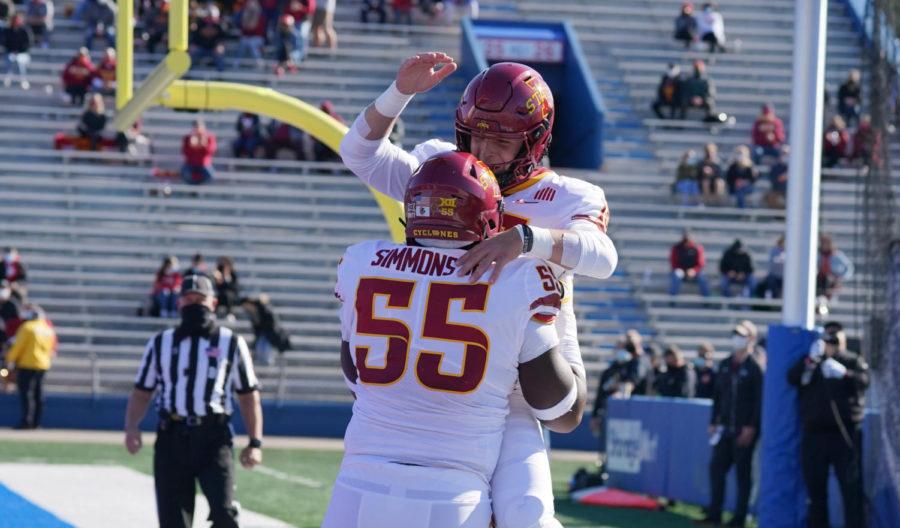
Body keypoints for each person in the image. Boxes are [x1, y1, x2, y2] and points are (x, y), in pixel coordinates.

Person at [339, 55, 617, 528]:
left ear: (535, 140)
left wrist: (527, 238)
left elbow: (603, 257)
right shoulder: (443, 170)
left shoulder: (569, 196)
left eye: (501, 139)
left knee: (527, 512)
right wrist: (397, 93)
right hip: (450, 363)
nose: (484, 150)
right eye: (476, 135)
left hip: (519, 367)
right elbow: (359, 153)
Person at [323, 152, 586, 527]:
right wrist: (567, 319)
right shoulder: (520, 280)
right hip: (453, 494)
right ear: (490, 217)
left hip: (357, 485)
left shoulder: (361, 263)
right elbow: (561, 412)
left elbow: (356, 379)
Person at [124, 274, 263, 528]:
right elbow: (142, 391)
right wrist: (132, 427)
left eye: (200, 299)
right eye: (189, 299)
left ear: (213, 303)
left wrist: (254, 442)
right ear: (179, 303)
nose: (194, 304)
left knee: (224, 516)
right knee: (174, 521)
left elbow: (248, 395)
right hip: (172, 437)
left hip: (214, 437)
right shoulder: (160, 343)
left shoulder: (231, 342)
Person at [787, 321, 868, 528]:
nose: (831, 343)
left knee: (851, 489)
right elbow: (792, 378)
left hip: (845, 434)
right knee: (816, 492)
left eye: (835, 339)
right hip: (815, 434)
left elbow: (865, 381)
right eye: (828, 338)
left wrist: (845, 374)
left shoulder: (852, 360)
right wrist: (810, 360)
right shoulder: (812, 361)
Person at [700, 321, 763, 527]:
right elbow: (718, 395)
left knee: (744, 475)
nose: (737, 339)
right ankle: (714, 513)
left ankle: (740, 517)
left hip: (744, 429)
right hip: (725, 428)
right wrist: (714, 420)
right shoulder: (726, 364)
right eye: (735, 334)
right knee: (716, 468)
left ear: (751, 338)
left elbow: (760, 399)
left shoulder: (755, 367)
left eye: (742, 335)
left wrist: (752, 426)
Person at [4, 304, 57, 429]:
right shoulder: (47, 329)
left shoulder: (27, 327)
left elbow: (18, 346)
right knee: (38, 394)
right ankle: (36, 422)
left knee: (26, 394)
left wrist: (9, 360)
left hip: (28, 364)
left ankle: (26, 421)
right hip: (43, 365)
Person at [240, 294, 290, 366]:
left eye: (245, 306)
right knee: (260, 350)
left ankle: (266, 365)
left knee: (264, 352)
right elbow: (257, 329)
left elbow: (271, 321)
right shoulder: (252, 313)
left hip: (270, 334)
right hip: (264, 335)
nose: (245, 308)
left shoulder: (262, 308)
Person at [669, 229, 710, 297]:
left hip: (695, 272)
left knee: (702, 278)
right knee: (676, 275)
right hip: (681, 270)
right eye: (685, 240)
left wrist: (694, 270)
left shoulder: (697, 248)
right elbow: (673, 263)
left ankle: (707, 301)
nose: (686, 242)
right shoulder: (676, 248)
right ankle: (672, 300)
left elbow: (701, 264)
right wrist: (683, 270)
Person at [816, 233, 854, 304]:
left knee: (829, 288)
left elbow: (849, 267)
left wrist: (841, 278)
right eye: (823, 243)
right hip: (820, 279)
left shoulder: (836, 255)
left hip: (832, 280)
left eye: (826, 243)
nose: (824, 246)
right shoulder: (818, 254)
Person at [3, 13, 34, 90]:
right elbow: (4, 42)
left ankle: (22, 80)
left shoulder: (25, 30)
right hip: (11, 52)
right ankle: (7, 78)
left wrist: (19, 51)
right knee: (10, 59)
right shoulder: (7, 30)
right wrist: (12, 50)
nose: (16, 21)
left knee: (20, 61)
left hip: (23, 54)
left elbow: (29, 43)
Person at [181, 119, 217, 184]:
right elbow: (185, 152)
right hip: (190, 163)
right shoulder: (188, 137)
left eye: (199, 127)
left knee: (211, 175)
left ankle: (198, 186)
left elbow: (211, 151)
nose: (198, 129)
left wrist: (203, 145)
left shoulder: (209, 137)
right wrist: (191, 146)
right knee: (184, 174)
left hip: (204, 164)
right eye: (196, 127)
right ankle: (193, 187)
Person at [236, 0, 266, 67]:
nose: (251, 7)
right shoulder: (244, 15)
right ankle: (237, 62)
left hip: (258, 38)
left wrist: (250, 28)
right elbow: (243, 30)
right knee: (242, 42)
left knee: (252, 44)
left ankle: (259, 63)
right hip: (248, 37)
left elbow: (259, 31)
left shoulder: (261, 16)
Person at [757, 234, 785, 300]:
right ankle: (771, 298)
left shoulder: (789, 251)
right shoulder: (774, 251)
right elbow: (771, 265)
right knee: (770, 280)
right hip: (774, 275)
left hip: (784, 276)